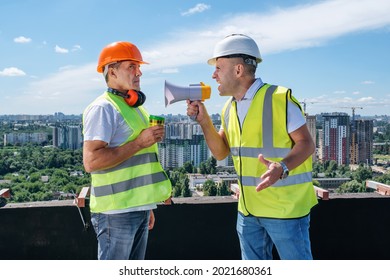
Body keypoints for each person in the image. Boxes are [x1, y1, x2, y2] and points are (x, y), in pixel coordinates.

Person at [187, 34, 318, 260]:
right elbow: (220, 152)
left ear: (238, 70)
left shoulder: (279, 98)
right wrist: (204, 120)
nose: (213, 74)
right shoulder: (229, 108)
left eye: (218, 67)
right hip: (248, 212)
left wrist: (282, 167)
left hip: (285, 211)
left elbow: (306, 144)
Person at [82, 41, 172, 260]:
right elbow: (91, 161)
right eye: (131, 66)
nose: (139, 72)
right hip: (115, 213)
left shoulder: (135, 108)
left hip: (136, 208)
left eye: (139, 67)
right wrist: (139, 142)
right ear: (112, 71)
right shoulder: (103, 108)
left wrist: (146, 206)